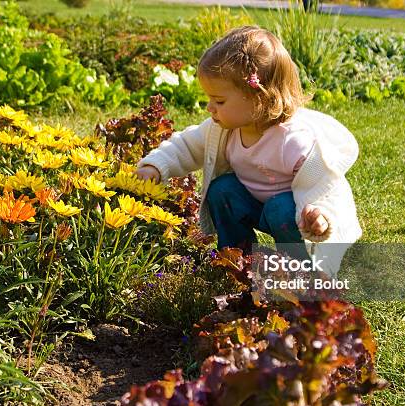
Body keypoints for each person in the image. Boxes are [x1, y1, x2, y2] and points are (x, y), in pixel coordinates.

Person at [135, 26, 362, 276]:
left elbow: (324, 187)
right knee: (222, 190)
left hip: (293, 214)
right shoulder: (223, 129)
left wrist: (320, 218)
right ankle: (237, 260)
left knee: (280, 209)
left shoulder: (293, 141)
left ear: (259, 98)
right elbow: (187, 145)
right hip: (255, 204)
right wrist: (156, 164)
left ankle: (301, 271)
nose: (210, 107)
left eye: (219, 101)